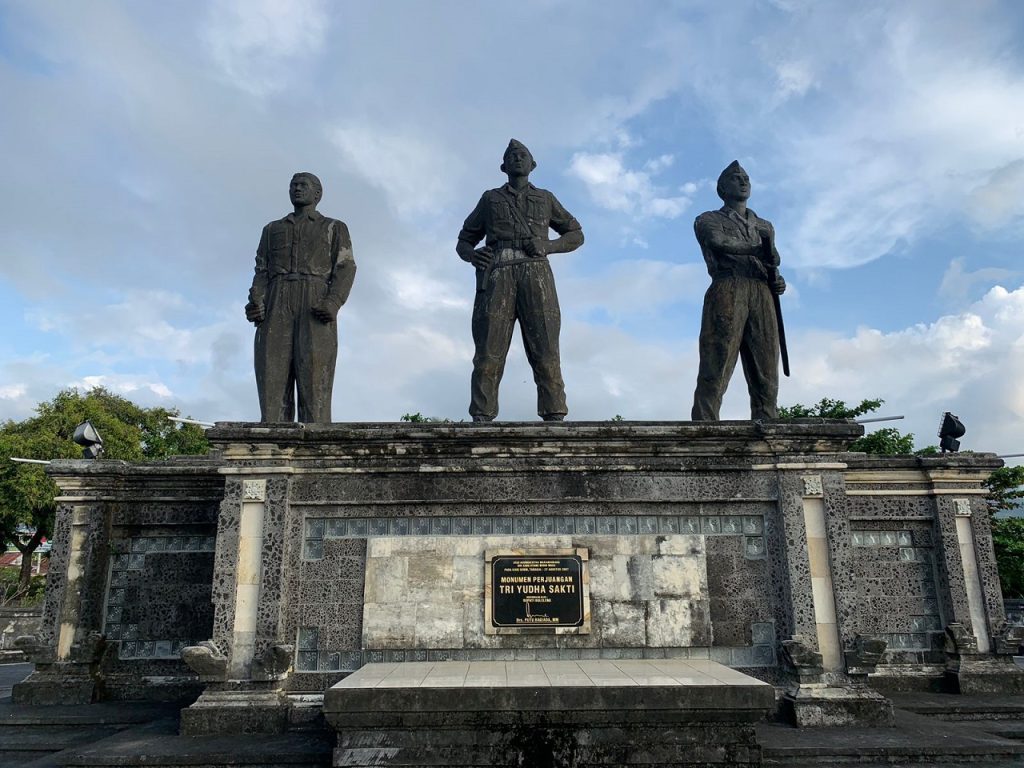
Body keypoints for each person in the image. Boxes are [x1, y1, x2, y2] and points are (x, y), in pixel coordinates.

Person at [456, 140, 584, 422]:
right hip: (498, 272)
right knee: (488, 351)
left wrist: (549, 246)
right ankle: (482, 414)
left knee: (546, 348)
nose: (517, 158)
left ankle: (554, 413)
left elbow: (576, 234)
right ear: (503, 166)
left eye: (522, 155)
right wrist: (472, 255)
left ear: (532, 164)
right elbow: (465, 239)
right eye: (511, 156)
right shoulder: (490, 199)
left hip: (536, 272)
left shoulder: (546, 198)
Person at [245, 173, 356, 423]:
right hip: (277, 299)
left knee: (314, 377)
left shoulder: (333, 227)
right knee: (272, 374)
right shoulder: (272, 229)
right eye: (293, 185)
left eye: (303, 185)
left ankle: (315, 444)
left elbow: (346, 267)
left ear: (317, 194)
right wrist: (257, 300)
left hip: (314, 301)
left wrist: (333, 302)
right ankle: (273, 441)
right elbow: (261, 270)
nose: (297, 189)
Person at [691, 161, 786, 421]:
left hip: (762, 292)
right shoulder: (708, 219)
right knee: (717, 360)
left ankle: (768, 422)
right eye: (735, 178)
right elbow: (717, 242)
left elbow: (771, 260)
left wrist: (777, 280)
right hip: (728, 287)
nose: (743, 181)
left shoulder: (764, 225)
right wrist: (755, 249)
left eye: (746, 178)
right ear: (722, 187)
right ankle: (706, 424)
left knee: (766, 367)